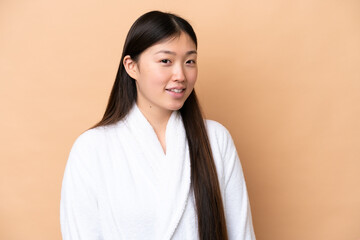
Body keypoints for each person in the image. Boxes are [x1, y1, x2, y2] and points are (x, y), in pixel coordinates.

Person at [60, 10, 255, 240]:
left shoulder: (216, 139)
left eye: (190, 61)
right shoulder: (91, 148)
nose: (180, 75)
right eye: (166, 61)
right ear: (131, 66)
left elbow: (241, 234)